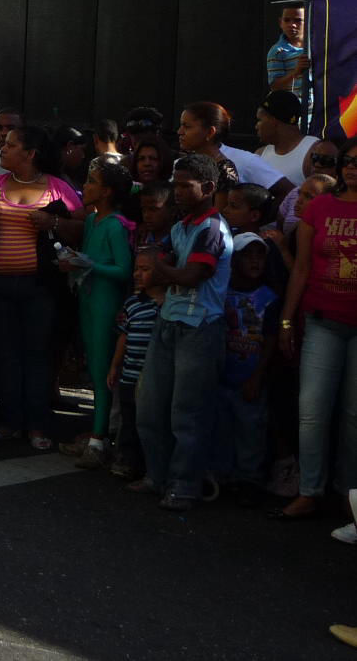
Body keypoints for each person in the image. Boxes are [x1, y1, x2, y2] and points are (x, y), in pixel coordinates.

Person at [135, 153, 233, 512]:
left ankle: (184, 485)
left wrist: (159, 267)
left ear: (207, 188)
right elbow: (166, 266)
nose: (176, 191)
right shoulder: (182, 226)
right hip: (170, 321)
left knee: (186, 414)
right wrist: (162, 267)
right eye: (174, 184)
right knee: (150, 408)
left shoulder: (211, 230)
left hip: (200, 328)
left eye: (183, 185)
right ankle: (157, 477)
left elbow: (191, 276)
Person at [0, 125, 83, 449]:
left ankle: (37, 426)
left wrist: (53, 223)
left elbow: (82, 228)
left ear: (30, 154)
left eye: (11, 145)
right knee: (6, 355)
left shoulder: (57, 188)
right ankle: (11, 423)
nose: (4, 149)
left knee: (37, 356)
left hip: (40, 287)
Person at [275, 137, 357, 520]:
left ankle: (347, 493)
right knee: (311, 409)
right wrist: (288, 320)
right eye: (348, 161)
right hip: (322, 321)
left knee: (353, 415)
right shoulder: (320, 208)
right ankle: (310, 490)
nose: (353, 168)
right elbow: (302, 270)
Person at [64, 162, 135, 469]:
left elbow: (123, 270)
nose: (87, 187)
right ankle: (98, 433)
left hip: (105, 302)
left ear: (107, 192)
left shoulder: (116, 225)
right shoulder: (93, 221)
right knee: (94, 369)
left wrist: (88, 265)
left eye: (92, 182)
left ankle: (99, 440)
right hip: (88, 298)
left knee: (104, 371)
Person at [215, 233, 279, 503]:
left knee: (251, 428)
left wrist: (258, 376)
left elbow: (271, 339)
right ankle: (224, 478)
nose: (254, 260)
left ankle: (249, 480)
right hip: (222, 374)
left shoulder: (268, 297)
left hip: (250, 376)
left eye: (259, 255)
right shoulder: (221, 292)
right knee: (222, 427)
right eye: (248, 255)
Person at [109, 247, 163, 479]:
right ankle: (128, 461)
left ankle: (149, 464)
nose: (138, 274)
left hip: (154, 377)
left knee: (151, 422)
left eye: (145, 269)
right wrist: (114, 365)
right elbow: (124, 335)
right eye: (136, 269)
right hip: (130, 374)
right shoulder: (132, 303)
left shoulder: (169, 304)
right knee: (129, 420)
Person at [177, 102, 240, 208]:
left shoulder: (224, 170)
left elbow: (218, 216)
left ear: (210, 132)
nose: (179, 132)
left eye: (187, 127)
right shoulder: (185, 160)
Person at [255, 91, 317, 186]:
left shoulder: (316, 150)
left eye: (259, 120)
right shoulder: (260, 154)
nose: (256, 126)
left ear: (273, 120)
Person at [267, 5, 311, 127]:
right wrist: (296, 72)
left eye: (298, 20)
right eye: (287, 20)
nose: (292, 24)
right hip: (293, 116)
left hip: (316, 115)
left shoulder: (317, 46)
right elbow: (275, 86)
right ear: (280, 23)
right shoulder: (277, 51)